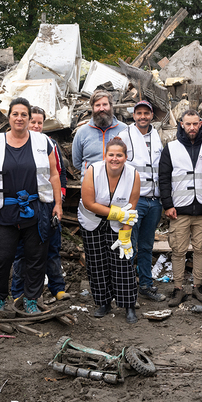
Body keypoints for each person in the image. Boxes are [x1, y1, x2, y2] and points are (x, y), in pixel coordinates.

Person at [0, 98, 63, 316]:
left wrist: (58, 204)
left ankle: (31, 299)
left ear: (29, 118)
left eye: (24, 114)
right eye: (15, 114)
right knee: (1, 258)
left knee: (36, 257)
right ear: (9, 117)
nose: (19, 118)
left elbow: (54, 173)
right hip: (4, 210)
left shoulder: (42, 141)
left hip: (36, 209)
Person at [9, 106, 69, 303]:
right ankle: (18, 291)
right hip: (24, 206)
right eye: (32, 121)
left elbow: (59, 173)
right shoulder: (14, 143)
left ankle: (57, 287)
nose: (35, 126)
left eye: (39, 123)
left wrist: (59, 200)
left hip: (47, 205)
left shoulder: (50, 144)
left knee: (52, 247)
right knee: (21, 251)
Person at [78, 137, 140, 323]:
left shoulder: (133, 175)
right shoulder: (93, 170)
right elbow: (89, 203)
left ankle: (128, 305)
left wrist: (125, 236)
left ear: (126, 157)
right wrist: (118, 214)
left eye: (119, 155)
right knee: (96, 262)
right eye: (111, 155)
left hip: (119, 224)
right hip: (92, 221)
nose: (115, 159)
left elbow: (131, 209)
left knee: (123, 262)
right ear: (105, 156)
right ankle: (103, 302)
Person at [158, 109, 202, 306]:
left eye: (195, 124)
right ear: (181, 124)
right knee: (178, 250)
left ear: (200, 124)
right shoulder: (171, 148)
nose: (192, 127)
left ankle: (198, 287)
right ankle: (178, 288)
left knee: (201, 249)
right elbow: (163, 178)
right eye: (188, 124)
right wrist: (167, 205)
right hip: (179, 210)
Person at [118, 100, 166, 303]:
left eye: (146, 113)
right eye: (139, 113)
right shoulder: (124, 135)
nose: (143, 116)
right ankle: (128, 288)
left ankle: (146, 285)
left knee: (146, 246)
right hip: (134, 202)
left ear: (151, 115)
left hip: (154, 201)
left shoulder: (156, 136)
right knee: (129, 245)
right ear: (134, 115)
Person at [71, 89, 127, 176]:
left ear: (111, 106)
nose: (101, 109)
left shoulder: (124, 130)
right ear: (92, 108)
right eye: (97, 105)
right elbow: (77, 162)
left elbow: (130, 157)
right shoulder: (82, 132)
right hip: (90, 182)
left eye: (105, 104)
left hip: (118, 181)